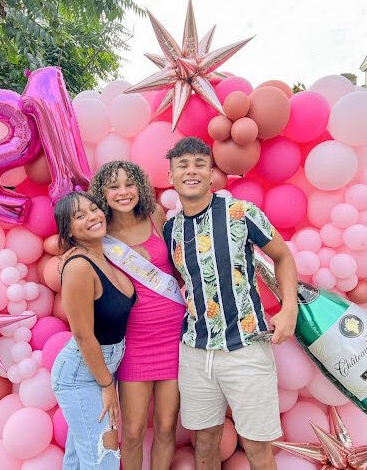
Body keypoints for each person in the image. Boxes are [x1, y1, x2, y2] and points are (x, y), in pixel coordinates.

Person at [163, 137, 298, 470]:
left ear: (211, 174)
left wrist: (289, 309)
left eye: (199, 164)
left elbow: (282, 256)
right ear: (171, 176)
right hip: (195, 352)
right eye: (183, 165)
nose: (191, 171)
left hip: (245, 348)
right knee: (205, 442)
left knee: (255, 445)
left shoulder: (241, 212)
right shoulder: (170, 230)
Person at [91, 161, 185, 470]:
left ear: (140, 187)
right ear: (102, 193)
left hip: (174, 339)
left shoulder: (155, 215)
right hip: (134, 344)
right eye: (114, 186)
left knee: (166, 427)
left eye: (129, 184)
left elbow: (180, 268)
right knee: (130, 433)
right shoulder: (98, 233)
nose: (123, 192)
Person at [51, 191, 136, 469]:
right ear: (69, 232)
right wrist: (107, 385)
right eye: (79, 216)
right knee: (104, 460)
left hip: (102, 369)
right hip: (82, 374)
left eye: (93, 209)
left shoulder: (105, 258)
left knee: (78, 461)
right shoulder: (78, 267)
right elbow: (84, 335)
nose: (92, 216)